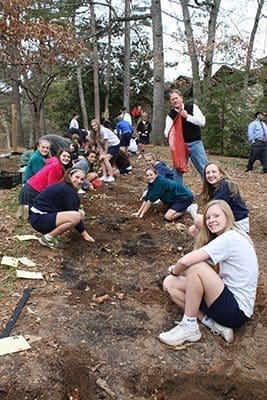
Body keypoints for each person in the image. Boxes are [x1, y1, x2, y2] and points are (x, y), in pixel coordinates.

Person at [158, 200, 258, 347]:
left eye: (216, 216)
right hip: (224, 298)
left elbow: (186, 262)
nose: (211, 221)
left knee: (196, 266)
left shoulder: (229, 238)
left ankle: (189, 326)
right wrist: (174, 276)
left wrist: (174, 270)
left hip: (236, 310)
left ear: (227, 216)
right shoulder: (234, 235)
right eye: (208, 218)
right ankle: (214, 324)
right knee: (170, 283)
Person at [30, 168, 95, 249]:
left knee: (78, 214)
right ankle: (47, 238)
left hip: (39, 216)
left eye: (82, 179)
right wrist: (85, 234)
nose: (79, 181)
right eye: (76, 177)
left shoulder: (65, 187)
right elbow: (75, 215)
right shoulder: (67, 190)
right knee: (77, 216)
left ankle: (50, 235)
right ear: (70, 176)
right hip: (39, 219)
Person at [189, 161, 249, 237]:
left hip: (238, 226)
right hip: (228, 222)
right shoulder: (215, 189)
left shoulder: (225, 185)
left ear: (221, 174)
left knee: (198, 219)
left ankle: (219, 244)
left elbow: (212, 209)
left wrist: (194, 213)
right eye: (207, 173)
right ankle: (213, 246)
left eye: (214, 172)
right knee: (193, 230)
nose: (210, 175)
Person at [164, 89, 208, 181]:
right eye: (172, 99)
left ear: (181, 98)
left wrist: (188, 117)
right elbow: (167, 132)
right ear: (171, 102)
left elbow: (202, 122)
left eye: (176, 98)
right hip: (180, 147)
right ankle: (177, 193)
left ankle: (211, 191)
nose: (175, 101)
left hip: (196, 143)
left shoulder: (192, 107)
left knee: (204, 168)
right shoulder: (171, 115)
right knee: (177, 171)